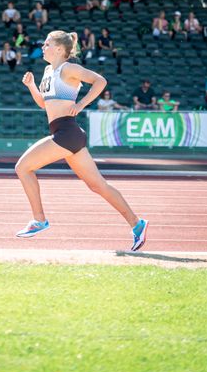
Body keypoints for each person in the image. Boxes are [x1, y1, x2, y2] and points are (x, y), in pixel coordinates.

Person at [15, 29, 148, 251]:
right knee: (98, 185)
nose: (43, 47)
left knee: (23, 167)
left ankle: (39, 219)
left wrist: (82, 104)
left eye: (46, 44)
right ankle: (137, 224)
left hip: (66, 132)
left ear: (58, 49)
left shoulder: (69, 68)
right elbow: (43, 104)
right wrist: (30, 86)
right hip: (65, 134)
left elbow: (100, 81)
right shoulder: (48, 70)